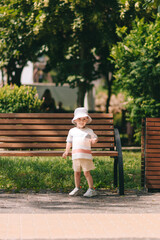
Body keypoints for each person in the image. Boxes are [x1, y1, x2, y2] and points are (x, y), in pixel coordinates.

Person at [62, 107, 98, 197]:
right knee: (76, 172)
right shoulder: (72, 131)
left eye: (84, 119)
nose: (81, 121)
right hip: (76, 155)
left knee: (86, 172)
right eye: (79, 119)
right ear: (75, 120)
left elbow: (95, 138)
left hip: (85, 155)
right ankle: (77, 188)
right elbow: (69, 142)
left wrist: (94, 140)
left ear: (87, 120)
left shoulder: (89, 131)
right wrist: (66, 151)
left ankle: (91, 189)